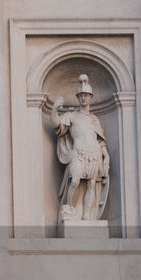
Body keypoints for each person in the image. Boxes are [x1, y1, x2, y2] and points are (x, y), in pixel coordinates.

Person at [51, 74, 110, 224]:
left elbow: (100, 140)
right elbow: (57, 124)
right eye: (81, 95)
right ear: (78, 97)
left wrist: (106, 157)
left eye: (86, 95)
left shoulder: (94, 119)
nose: (84, 98)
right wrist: (54, 110)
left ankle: (86, 215)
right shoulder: (71, 115)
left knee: (91, 184)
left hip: (95, 154)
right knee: (75, 181)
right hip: (78, 153)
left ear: (91, 97)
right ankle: (69, 208)